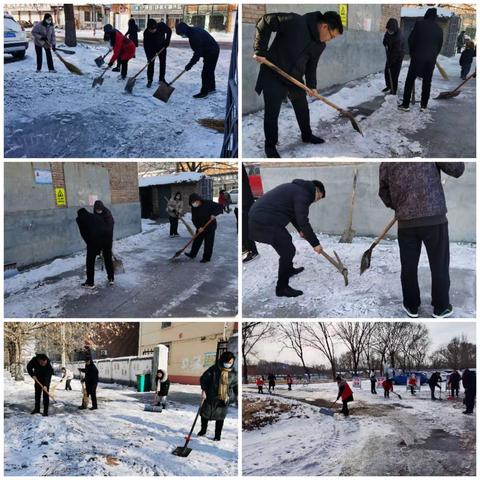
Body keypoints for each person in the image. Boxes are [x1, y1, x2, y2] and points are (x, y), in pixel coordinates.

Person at [379, 162, 465, 318]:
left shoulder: (387, 162)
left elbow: (383, 192)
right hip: (434, 219)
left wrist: (399, 207)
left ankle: (411, 306)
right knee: (439, 265)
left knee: (408, 267)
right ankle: (441, 307)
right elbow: (457, 169)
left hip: (406, 222)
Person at [253, 11, 343, 158]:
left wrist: (312, 85)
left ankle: (307, 135)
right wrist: (260, 50)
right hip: (273, 73)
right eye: (332, 36)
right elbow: (266, 21)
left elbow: (311, 65)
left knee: (302, 107)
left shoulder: (320, 45)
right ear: (324, 27)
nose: (330, 40)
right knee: (272, 113)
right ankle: (270, 146)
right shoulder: (295, 21)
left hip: (294, 78)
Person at [249, 179, 326, 297]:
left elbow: (293, 214)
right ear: (317, 190)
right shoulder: (304, 194)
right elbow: (303, 220)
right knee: (288, 251)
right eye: (319, 197)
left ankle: (288, 270)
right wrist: (315, 243)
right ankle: (282, 288)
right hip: (263, 221)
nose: (316, 201)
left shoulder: (296, 189)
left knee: (287, 245)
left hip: (261, 218)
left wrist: (300, 230)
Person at [399, 8, 443, 112]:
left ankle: (405, 105)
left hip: (417, 58)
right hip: (430, 60)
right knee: (427, 82)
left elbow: (411, 40)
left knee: (410, 80)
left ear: (426, 14)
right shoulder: (439, 29)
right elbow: (439, 45)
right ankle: (424, 105)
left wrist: (413, 53)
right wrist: (433, 56)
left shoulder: (419, 24)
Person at [198, 351, 237, 441]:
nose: (228, 364)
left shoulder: (234, 373)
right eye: (226, 362)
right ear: (222, 360)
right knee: (204, 415)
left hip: (223, 399)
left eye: (230, 362)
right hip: (210, 397)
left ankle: (217, 435)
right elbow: (203, 379)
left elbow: (235, 385)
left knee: (220, 417)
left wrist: (237, 394)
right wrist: (204, 389)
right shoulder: (214, 369)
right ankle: (203, 430)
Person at [175, 22, 220, 99]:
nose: (182, 36)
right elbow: (199, 50)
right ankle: (212, 88)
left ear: (185, 31)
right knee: (209, 70)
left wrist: (190, 64)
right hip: (211, 50)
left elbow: (197, 54)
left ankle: (204, 92)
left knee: (205, 73)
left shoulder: (194, 37)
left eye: (181, 34)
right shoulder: (193, 31)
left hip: (211, 52)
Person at [76, 206, 114, 288]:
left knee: (90, 262)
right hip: (106, 240)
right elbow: (104, 228)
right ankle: (111, 278)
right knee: (108, 259)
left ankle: (90, 282)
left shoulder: (80, 219)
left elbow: (84, 234)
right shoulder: (95, 216)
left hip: (93, 242)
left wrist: (89, 244)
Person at [185, 193, 223, 263]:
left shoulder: (208, 203)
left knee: (208, 242)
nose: (194, 203)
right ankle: (192, 254)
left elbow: (220, 207)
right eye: (192, 202)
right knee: (197, 240)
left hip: (210, 226)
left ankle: (206, 258)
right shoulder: (194, 208)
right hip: (201, 227)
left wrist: (214, 214)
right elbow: (194, 219)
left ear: (199, 200)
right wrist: (198, 227)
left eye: (195, 201)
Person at [143, 18, 171, 88]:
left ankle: (161, 79)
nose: (151, 31)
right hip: (151, 49)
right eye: (150, 30)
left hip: (162, 47)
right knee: (150, 63)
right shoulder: (146, 33)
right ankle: (149, 80)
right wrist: (148, 57)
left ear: (156, 27)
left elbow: (169, 31)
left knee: (162, 63)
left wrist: (167, 41)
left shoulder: (162, 26)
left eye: (153, 29)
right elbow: (146, 46)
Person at [382, 18, 405, 95]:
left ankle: (394, 89)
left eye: (390, 30)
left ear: (394, 29)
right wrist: (384, 42)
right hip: (390, 54)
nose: (389, 31)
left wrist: (390, 62)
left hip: (398, 56)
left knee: (394, 73)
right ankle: (388, 86)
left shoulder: (399, 36)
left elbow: (396, 52)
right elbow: (385, 38)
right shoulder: (389, 31)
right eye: (388, 30)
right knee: (387, 72)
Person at [242, 165, 259, 263]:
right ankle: (246, 248)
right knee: (243, 230)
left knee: (245, 230)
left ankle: (253, 251)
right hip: (242, 205)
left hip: (245, 204)